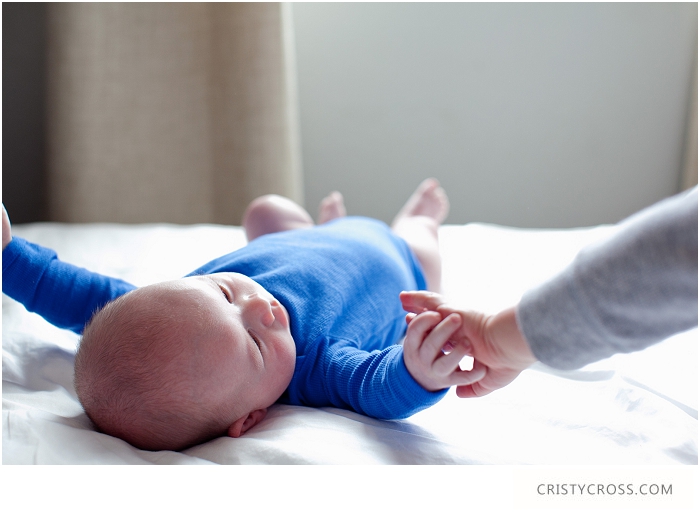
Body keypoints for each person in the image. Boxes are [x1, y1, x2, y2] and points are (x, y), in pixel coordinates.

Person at [1, 179, 485, 451]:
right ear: (251, 416)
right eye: (255, 344)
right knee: (422, 238)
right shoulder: (315, 367)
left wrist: (9, 259)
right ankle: (419, 217)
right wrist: (416, 372)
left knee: (264, 211)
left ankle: (323, 227)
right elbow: (376, 386)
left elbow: (85, 296)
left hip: (300, 241)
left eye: (225, 290)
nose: (261, 307)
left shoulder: (178, 307)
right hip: (400, 260)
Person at [401, 186, 698, 398]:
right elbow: (362, 380)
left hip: (393, 248)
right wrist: (414, 378)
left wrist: (500, 337)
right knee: (418, 254)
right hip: (398, 265)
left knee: (413, 241)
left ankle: (414, 223)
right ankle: (415, 225)